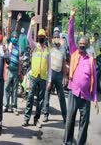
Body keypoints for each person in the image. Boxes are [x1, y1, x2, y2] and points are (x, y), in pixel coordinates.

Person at [63, 8, 99, 145]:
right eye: (80, 45)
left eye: (84, 45)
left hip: (85, 97)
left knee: (83, 124)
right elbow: (70, 35)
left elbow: (94, 81)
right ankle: (67, 142)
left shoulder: (91, 60)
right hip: (73, 92)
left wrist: (95, 98)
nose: (82, 47)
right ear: (78, 45)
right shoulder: (74, 53)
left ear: (87, 46)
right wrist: (71, 19)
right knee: (70, 120)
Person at [22, 16, 51, 128]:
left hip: (43, 78)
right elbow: (29, 37)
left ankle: (36, 119)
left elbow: (49, 68)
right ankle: (26, 118)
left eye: (42, 36)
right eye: (39, 36)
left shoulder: (47, 51)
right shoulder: (34, 47)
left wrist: (49, 80)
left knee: (40, 100)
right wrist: (31, 25)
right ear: (38, 37)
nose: (41, 38)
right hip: (34, 76)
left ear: (44, 37)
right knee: (29, 98)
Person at [42, 12, 67, 123]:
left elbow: (64, 62)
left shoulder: (62, 48)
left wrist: (65, 76)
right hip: (51, 73)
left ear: (60, 37)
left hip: (59, 74)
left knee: (61, 96)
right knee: (47, 93)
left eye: (57, 36)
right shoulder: (51, 45)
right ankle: (45, 114)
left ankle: (66, 117)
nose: (56, 38)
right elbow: (48, 35)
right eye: (54, 36)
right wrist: (49, 21)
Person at [4, 11, 22, 115]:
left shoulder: (18, 47)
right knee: (7, 88)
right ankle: (6, 105)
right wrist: (12, 19)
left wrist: (19, 72)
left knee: (15, 89)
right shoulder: (9, 43)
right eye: (13, 37)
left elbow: (19, 60)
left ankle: (14, 107)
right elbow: (11, 31)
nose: (15, 38)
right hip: (9, 70)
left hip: (15, 70)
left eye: (16, 37)